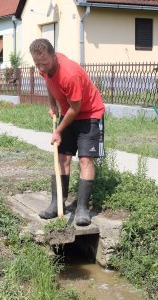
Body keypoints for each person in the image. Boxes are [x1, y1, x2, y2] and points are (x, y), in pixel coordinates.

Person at [29, 39, 105, 226]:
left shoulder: (70, 75)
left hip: (89, 115)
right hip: (69, 113)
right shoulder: (44, 66)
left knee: (86, 159)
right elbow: (48, 81)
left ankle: (82, 208)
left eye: (45, 63)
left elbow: (75, 109)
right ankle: (57, 203)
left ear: (54, 56)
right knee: (62, 158)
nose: (41, 67)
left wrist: (58, 131)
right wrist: (52, 104)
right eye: (37, 63)